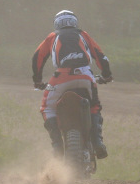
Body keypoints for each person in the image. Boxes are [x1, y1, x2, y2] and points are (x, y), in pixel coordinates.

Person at [31, 10, 112, 158]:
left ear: (56, 24)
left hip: (61, 77)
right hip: (86, 75)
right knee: (94, 106)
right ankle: (98, 142)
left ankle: (57, 146)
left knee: (47, 108)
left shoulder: (52, 36)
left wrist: (38, 81)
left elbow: (37, 57)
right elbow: (101, 56)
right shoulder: (83, 34)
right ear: (75, 22)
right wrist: (106, 75)